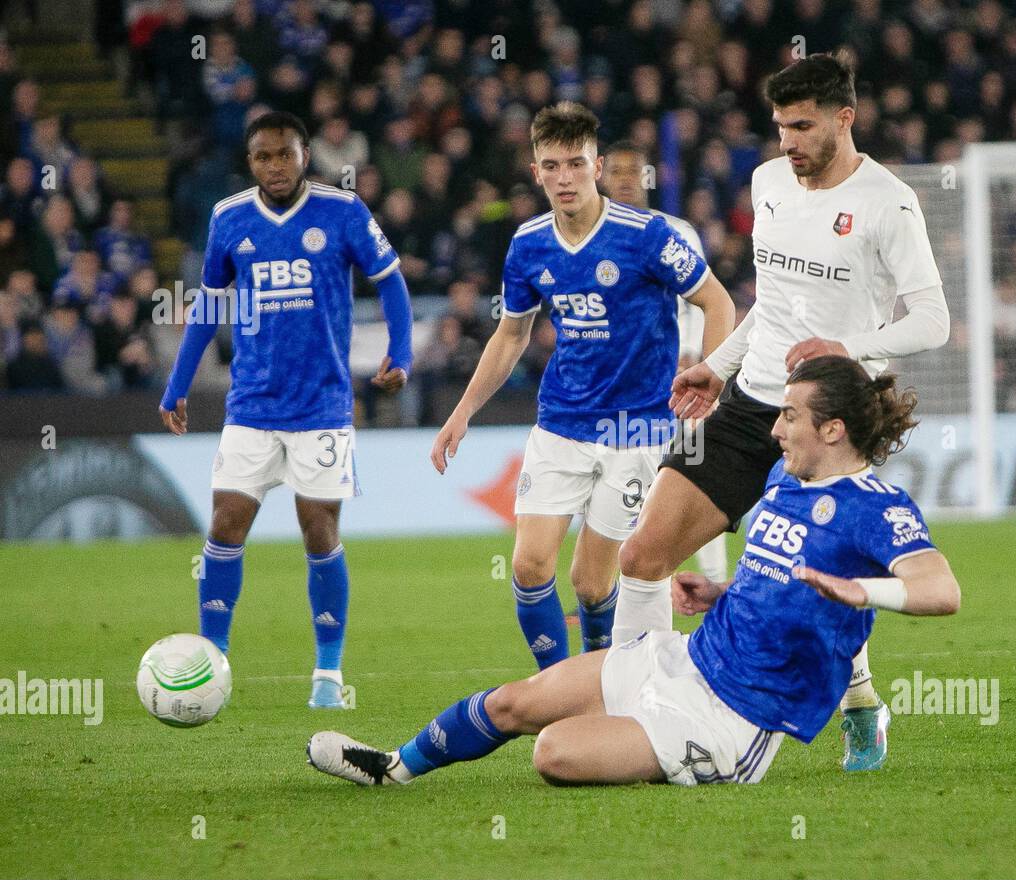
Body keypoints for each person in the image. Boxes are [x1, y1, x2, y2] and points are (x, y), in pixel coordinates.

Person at [307, 356, 959, 787]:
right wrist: (725, 588)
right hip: (684, 659)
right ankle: (391, 767)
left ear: (834, 428)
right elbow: (788, 578)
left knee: (554, 751)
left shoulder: (879, 508)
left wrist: (861, 590)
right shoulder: (784, 478)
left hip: (729, 721)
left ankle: (695, 752)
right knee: (514, 701)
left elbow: (941, 589)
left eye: (790, 415)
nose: (777, 427)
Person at [613, 53, 951, 770]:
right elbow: (775, 301)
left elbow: (933, 319)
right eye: (780, 128)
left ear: (844, 119)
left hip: (833, 416)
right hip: (748, 404)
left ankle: (858, 699)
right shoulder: (769, 182)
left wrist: (847, 347)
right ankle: (635, 707)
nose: (788, 142)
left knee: (805, 580)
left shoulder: (889, 202)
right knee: (641, 554)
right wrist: (719, 364)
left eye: (802, 126)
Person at [428, 102, 735, 670]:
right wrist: (462, 411)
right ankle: (558, 688)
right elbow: (510, 335)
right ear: (535, 170)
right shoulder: (528, 244)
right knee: (529, 566)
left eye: (575, 163)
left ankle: (599, 677)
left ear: (596, 167)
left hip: (639, 430)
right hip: (562, 424)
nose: (563, 177)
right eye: (551, 166)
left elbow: (717, 300)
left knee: (593, 584)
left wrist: (710, 380)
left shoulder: (648, 236)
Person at [158, 111, 413, 708]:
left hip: (322, 408)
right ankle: (210, 657)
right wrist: (176, 386)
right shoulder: (229, 218)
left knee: (319, 532)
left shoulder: (343, 212)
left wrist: (400, 355)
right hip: (251, 405)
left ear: (305, 154)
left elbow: (392, 282)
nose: (274, 166)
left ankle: (327, 672)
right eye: (262, 157)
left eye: (284, 154)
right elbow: (206, 309)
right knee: (224, 526)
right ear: (250, 162)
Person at [601, 139, 730, 586]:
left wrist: (694, 354)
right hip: (617, 386)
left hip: (678, 382)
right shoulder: (593, 234)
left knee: (697, 477)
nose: (622, 179)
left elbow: (701, 301)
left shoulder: (675, 231)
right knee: (619, 483)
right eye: (614, 170)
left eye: (631, 171)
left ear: (647, 177)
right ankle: (614, 586)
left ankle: (713, 576)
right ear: (601, 175)